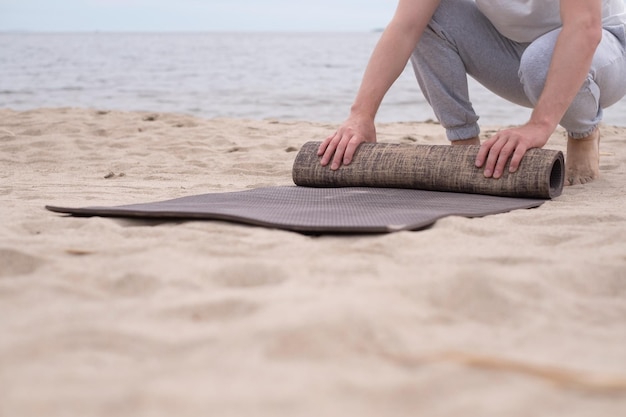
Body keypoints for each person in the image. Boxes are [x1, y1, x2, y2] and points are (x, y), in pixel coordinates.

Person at [318, 0, 626, 185]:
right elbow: (405, 26)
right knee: (430, 15)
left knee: (540, 62)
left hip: (601, 52)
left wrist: (539, 125)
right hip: (513, 55)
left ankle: (583, 132)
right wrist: (361, 114)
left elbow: (585, 27)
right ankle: (464, 145)